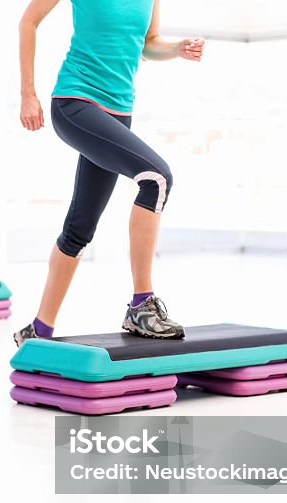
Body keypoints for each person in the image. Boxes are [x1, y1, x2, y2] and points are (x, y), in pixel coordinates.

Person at [14, 0, 205, 345]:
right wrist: (28, 94)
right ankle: (141, 305)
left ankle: (38, 330)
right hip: (76, 102)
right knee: (157, 179)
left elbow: (148, 44)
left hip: (118, 112)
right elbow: (28, 22)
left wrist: (176, 49)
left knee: (80, 227)